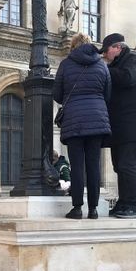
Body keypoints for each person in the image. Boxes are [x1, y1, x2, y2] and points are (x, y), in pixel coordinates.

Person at [53, 32, 112, 219]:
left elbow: (57, 94)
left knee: (77, 166)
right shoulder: (102, 66)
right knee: (93, 166)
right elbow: (107, 94)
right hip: (97, 120)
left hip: (74, 121)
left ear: (73, 46)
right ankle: (93, 209)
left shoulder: (66, 64)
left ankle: (77, 208)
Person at [99, 33, 136, 218]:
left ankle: (133, 205)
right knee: (119, 166)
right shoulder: (118, 64)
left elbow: (127, 78)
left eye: (106, 51)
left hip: (131, 126)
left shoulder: (132, 60)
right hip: (120, 126)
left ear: (117, 47)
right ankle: (123, 202)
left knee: (128, 165)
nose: (105, 56)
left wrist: (104, 69)